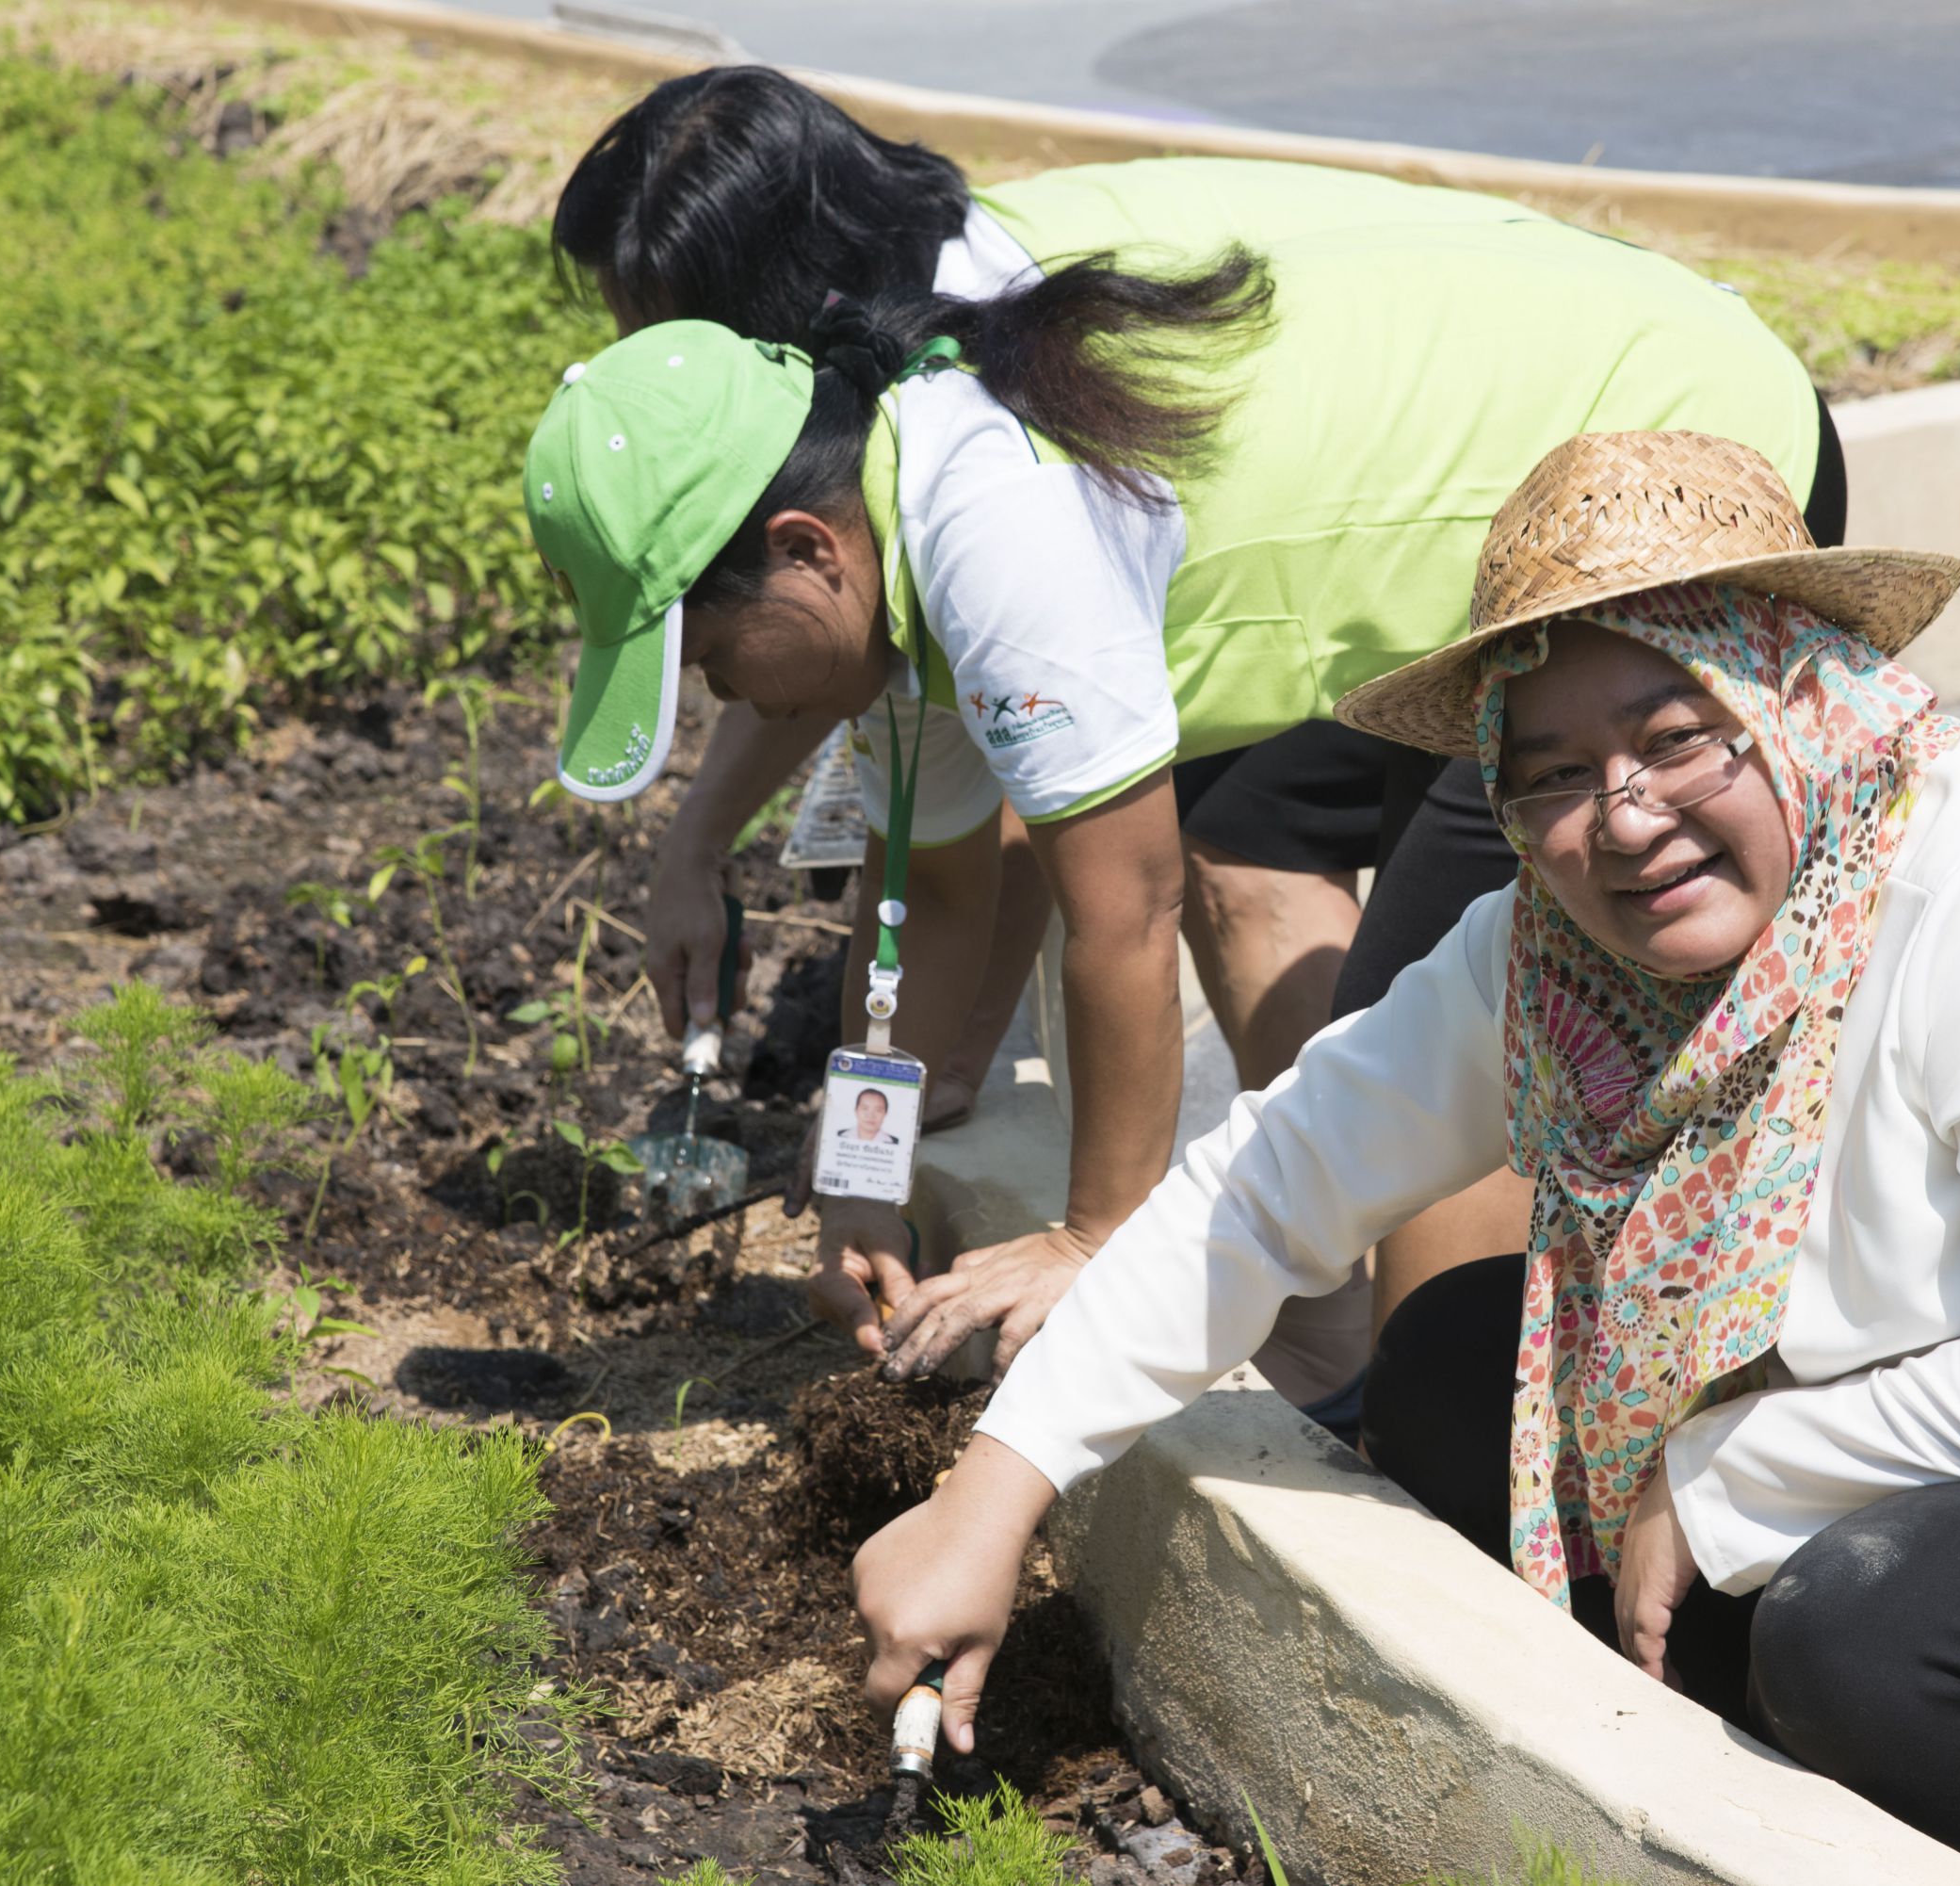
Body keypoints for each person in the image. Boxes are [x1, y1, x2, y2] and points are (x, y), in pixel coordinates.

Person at [847, 431, 1960, 1886]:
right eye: (1556, 778)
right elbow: (1265, 1182)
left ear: (1795, 694)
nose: (1624, 819)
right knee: (1457, 1373)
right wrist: (989, 1495)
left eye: (1678, 735)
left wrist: (1726, 1477)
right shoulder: (1555, 954)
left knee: (1881, 1632)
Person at [535, 70, 1846, 1411]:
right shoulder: (876, 483)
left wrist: (1102, 1240)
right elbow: (927, 892)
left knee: (1457, 1018)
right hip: (1445, 458)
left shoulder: (987, 520)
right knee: (1244, 829)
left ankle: (1471, 1439)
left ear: (799, 540)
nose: (720, 704)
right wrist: (856, 1186)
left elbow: (1122, 908)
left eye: (705, 658)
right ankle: (1341, 1338)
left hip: (1648, 454)